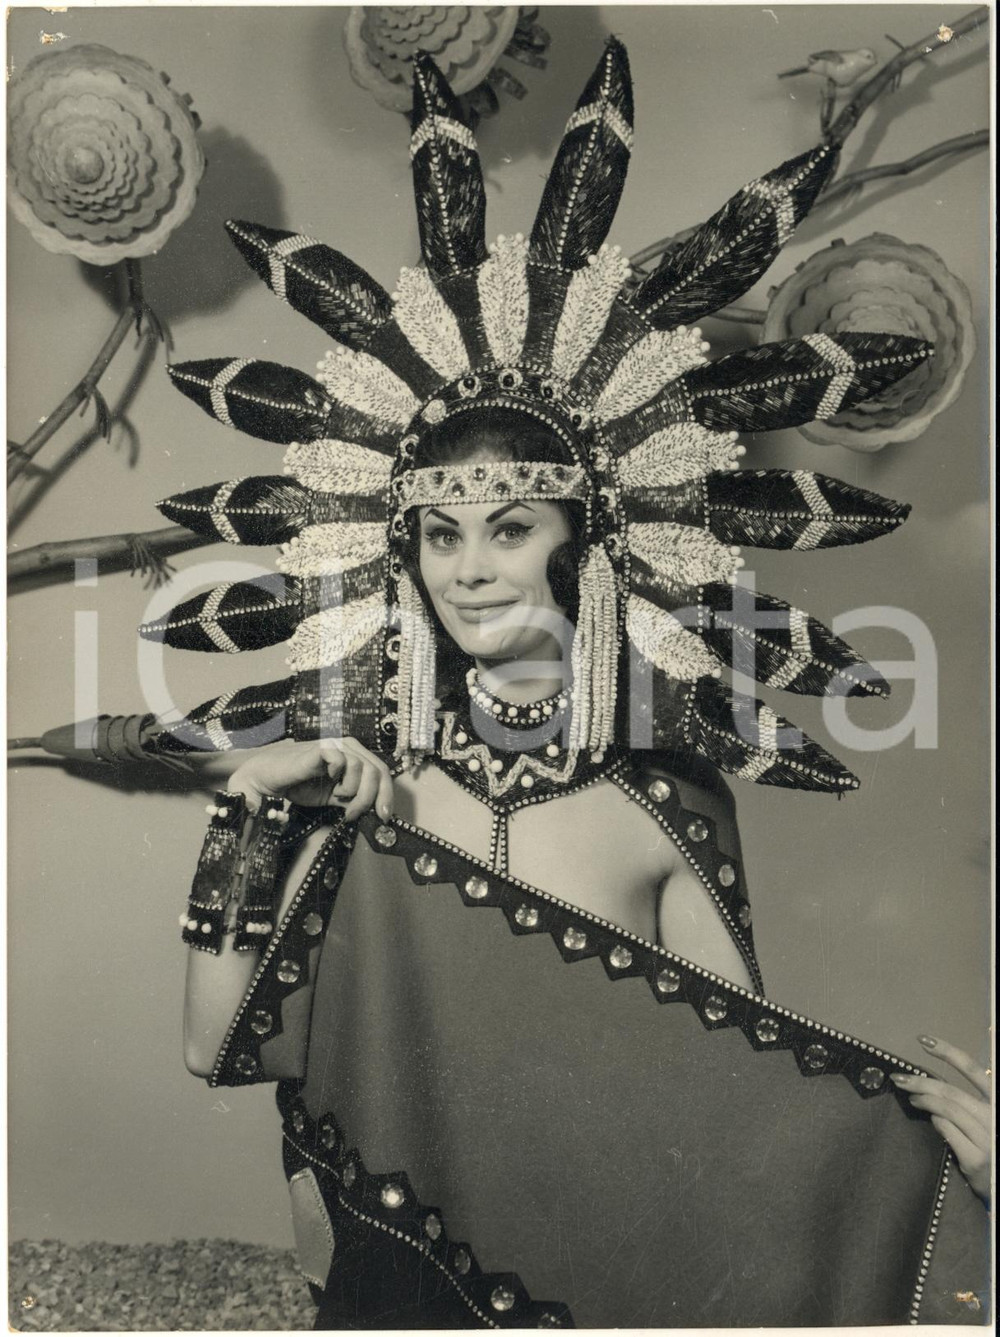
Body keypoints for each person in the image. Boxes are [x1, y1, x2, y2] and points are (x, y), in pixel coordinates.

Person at [145, 41, 989, 1326]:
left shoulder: (665, 799)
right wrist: (250, 809)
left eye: (512, 527)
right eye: (440, 534)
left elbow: (735, 1109)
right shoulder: (359, 787)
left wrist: (962, 1178)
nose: (471, 570)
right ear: (402, 554)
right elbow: (214, 1047)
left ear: (589, 546)